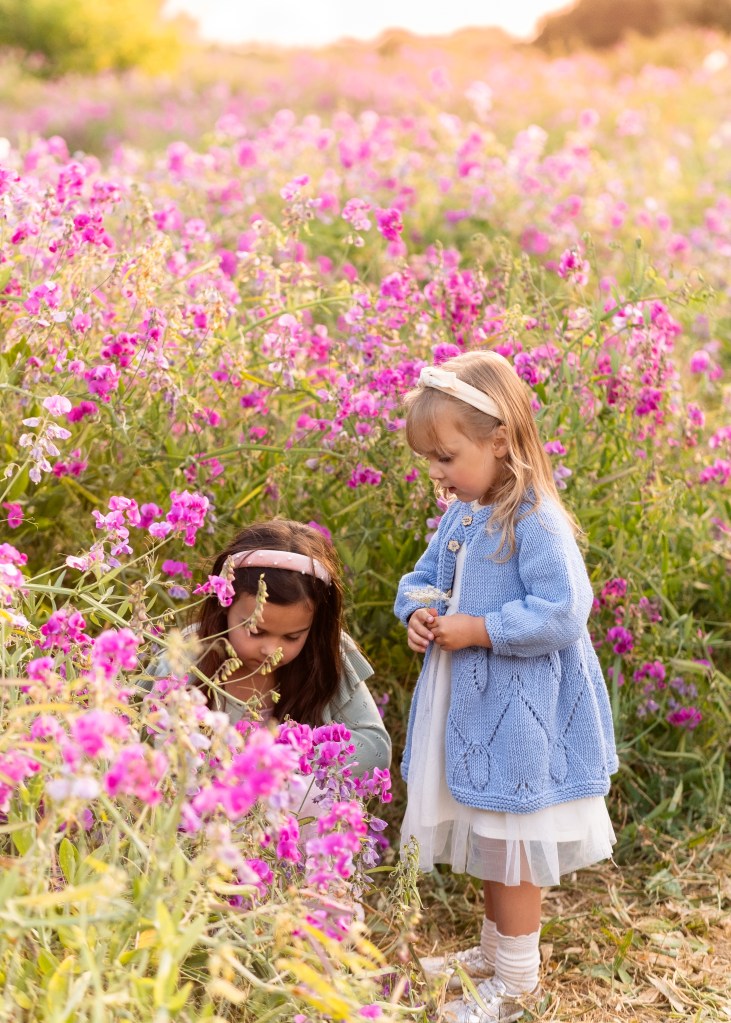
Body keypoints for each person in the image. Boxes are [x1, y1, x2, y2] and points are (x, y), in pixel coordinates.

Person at [394, 351, 618, 1023]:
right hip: (471, 702)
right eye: (429, 459)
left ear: (499, 440)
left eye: (446, 456)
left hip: (518, 715)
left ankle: (517, 981)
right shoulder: (464, 513)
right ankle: (493, 955)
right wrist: (421, 612)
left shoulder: (533, 517)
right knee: (492, 836)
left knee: (513, 843)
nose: (436, 473)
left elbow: (561, 609)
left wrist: (481, 628)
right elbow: (423, 576)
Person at [172, 519, 391, 779]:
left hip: (294, 812)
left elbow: (376, 747)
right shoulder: (188, 652)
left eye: (292, 637)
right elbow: (145, 738)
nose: (271, 650)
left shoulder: (327, 654)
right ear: (223, 606)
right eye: (256, 630)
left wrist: (289, 757)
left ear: (315, 627)